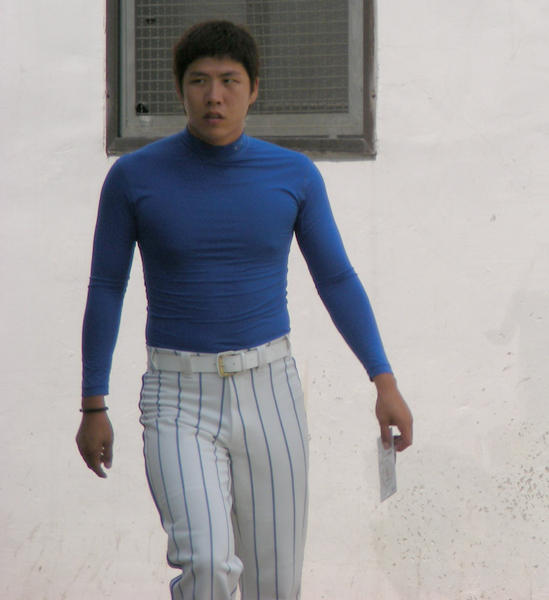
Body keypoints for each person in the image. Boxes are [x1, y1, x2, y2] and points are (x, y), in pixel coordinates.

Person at [76, 20, 413, 600]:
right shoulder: (133, 178)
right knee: (207, 565)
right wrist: (93, 403)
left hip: (270, 390)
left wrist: (383, 380)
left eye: (229, 81)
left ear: (254, 89)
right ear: (179, 88)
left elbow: (336, 279)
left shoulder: (294, 175)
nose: (215, 96)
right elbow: (107, 286)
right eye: (199, 80)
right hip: (177, 395)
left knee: (275, 585)